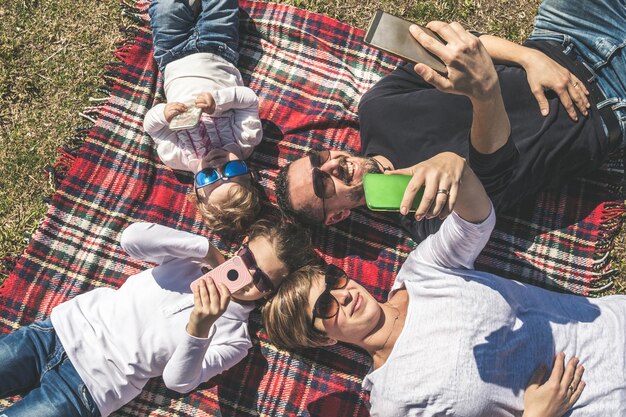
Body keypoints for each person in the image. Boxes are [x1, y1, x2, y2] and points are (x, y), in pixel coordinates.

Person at [264, 154, 626, 417]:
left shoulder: (421, 272)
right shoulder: (393, 404)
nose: (342, 295)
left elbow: (476, 221)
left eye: (334, 279)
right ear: (324, 338)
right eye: (325, 307)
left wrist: (456, 167)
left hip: (614, 326)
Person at [275, 0, 625, 242]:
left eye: (319, 158)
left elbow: (457, 50)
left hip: (564, 36)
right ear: (335, 216)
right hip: (607, 109)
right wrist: (483, 93)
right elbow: (495, 169)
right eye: (322, 184)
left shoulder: (375, 107)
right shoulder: (427, 218)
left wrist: (530, 57)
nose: (332, 165)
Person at [0, 219, 315, 417]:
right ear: (241, 246)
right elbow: (131, 239)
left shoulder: (235, 339)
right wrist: (203, 248)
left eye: (261, 280)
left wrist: (199, 328)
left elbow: (179, 382)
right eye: (246, 259)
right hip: (54, 334)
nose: (246, 275)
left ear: (271, 294)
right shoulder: (189, 261)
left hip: (89, 387)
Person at [144, 0, 263, 235]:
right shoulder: (246, 141)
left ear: (195, 189)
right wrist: (219, 103)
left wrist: (164, 115)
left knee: (165, 9)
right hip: (219, 49)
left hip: (171, 56)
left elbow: (152, 128)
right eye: (232, 171)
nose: (218, 165)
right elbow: (249, 101)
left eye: (209, 176)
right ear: (249, 173)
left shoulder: (177, 157)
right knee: (223, 4)